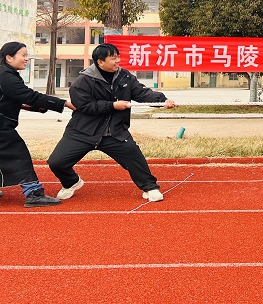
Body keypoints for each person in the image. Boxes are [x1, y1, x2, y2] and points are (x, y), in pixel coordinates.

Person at [48, 43, 176, 202]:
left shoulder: (125, 76)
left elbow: (142, 93)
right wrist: (113, 105)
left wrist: (162, 101)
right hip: (83, 131)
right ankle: (71, 182)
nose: (118, 61)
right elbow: (85, 106)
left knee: (134, 156)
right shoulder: (83, 81)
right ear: (100, 62)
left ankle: (150, 188)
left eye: (118, 57)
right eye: (113, 58)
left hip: (114, 131)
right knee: (56, 162)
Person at [0, 41, 75, 208]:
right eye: (23, 55)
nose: (27, 59)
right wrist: (63, 103)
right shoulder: (5, 75)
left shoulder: (6, 73)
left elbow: (16, 100)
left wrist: (39, 107)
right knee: (19, 156)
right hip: (2, 128)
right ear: (9, 57)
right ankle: (33, 193)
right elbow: (29, 96)